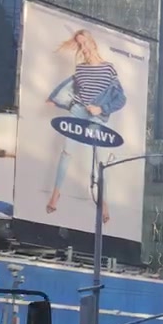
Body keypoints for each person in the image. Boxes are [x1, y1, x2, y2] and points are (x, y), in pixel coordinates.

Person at [44, 28, 127, 219]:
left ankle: (104, 202)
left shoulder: (108, 68)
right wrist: (55, 99)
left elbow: (121, 98)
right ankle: (56, 194)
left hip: (96, 115)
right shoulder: (80, 69)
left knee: (100, 158)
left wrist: (102, 108)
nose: (84, 48)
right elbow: (69, 89)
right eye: (80, 45)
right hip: (78, 111)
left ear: (93, 43)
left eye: (85, 43)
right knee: (67, 151)